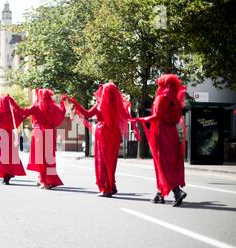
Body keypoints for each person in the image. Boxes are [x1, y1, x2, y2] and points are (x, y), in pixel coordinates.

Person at [70, 83, 133, 197]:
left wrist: (76, 104)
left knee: (102, 162)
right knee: (111, 162)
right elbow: (126, 116)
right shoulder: (117, 104)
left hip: (103, 133)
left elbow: (87, 114)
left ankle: (106, 188)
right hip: (114, 134)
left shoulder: (100, 104)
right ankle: (111, 186)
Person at [134, 74, 187, 207]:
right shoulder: (175, 100)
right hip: (172, 133)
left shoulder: (160, 98)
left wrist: (141, 119)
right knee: (170, 163)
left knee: (162, 163)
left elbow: (156, 116)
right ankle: (160, 194)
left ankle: (176, 191)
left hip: (161, 132)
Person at [23, 89, 66, 189]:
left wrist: (14, 106)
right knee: (49, 159)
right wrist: (62, 104)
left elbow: (24, 112)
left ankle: (44, 181)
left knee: (41, 159)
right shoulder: (54, 107)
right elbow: (61, 113)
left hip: (39, 133)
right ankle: (47, 179)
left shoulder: (36, 106)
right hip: (50, 133)